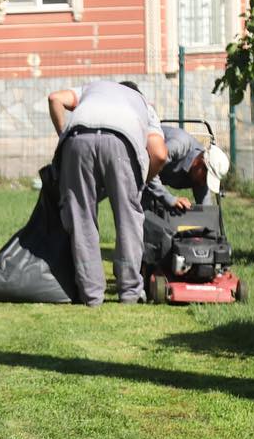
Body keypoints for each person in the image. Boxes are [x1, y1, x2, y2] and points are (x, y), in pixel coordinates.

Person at [46, 80, 170, 305]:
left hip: (77, 140)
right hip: (122, 143)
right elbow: (160, 155)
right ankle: (130, 293)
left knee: (82, 219)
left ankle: (91, 295)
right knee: (128, 219)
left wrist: (64, 136)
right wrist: (141, 182)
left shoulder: (92, 88)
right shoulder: (144, 104)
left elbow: (55, 98)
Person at [152, 124, 231, 207]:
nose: (202, 183)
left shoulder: (200, 175)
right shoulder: (178, 145)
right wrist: (169, 199)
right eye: (205, 178)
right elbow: (147, 170)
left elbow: (205, 208)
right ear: (201, 163)